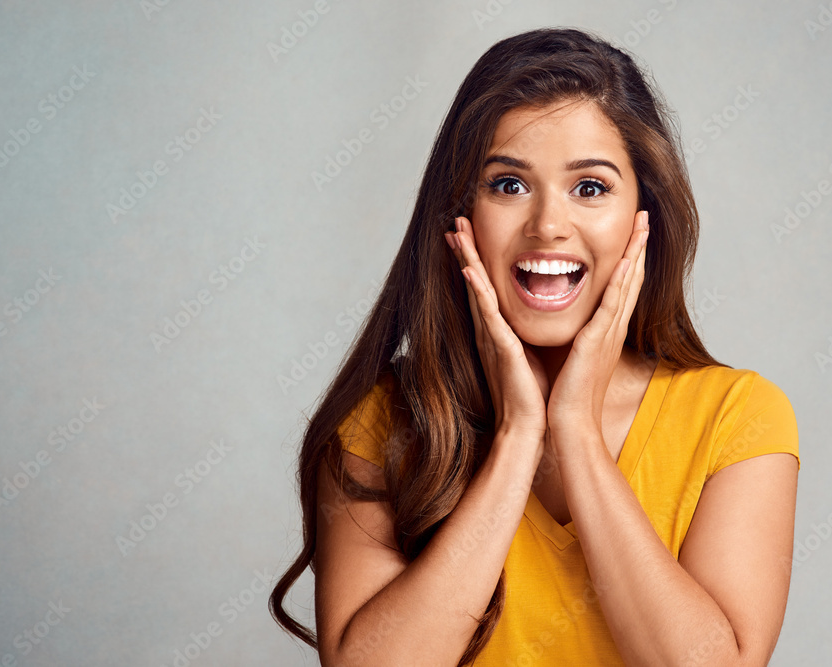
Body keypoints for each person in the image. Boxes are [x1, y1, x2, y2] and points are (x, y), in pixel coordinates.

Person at [269, 27, 799, 666]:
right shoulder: (382, 422)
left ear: (645, 217)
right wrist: (518, 436)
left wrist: (576, 433)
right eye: (509, 185)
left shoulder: (738, 418)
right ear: (459, 212)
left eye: (591, 187)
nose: (548, 225)